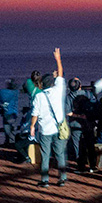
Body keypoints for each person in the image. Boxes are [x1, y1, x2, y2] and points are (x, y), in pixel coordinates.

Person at [30, 48, 68, 188]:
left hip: (45, 130)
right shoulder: (59, 90)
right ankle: (62, 178)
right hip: (58, 129)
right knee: (60, 154)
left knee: (45, 156)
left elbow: (35, 114)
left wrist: (32, 126)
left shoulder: (38, 96)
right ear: (52, 82)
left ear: (42, 85)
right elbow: (61, 74)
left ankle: (45, 180)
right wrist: (58, 59)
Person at [66, 77, 97, 173]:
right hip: (88, 123)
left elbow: (68, 112)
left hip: (75, 124)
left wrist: (78, 116)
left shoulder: (69, 97)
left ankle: (81, 166)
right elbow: (95, 105)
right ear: (80, 85)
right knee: (90, 144)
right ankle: (93, 166)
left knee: (77, 145)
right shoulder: (88, 94)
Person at [0, 79, 21, 146]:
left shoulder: (2, 92)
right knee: (12, 131)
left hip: (6, 114)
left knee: (7, 130)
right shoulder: (16, 92)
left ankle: (8, 143)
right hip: (14, 115)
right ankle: (11, 144)